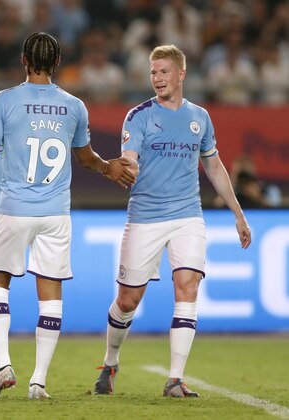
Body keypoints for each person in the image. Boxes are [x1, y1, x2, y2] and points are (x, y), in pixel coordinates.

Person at [0, 32, 135, 400]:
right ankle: (38, 381)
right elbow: (86, 159)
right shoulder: (73, 105)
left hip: (14, 209)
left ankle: (4, 364)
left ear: (24, 60)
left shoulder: (5, 101)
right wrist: (109, 168)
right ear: (57, 63)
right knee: (51, 295)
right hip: (56, 213)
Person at [93, 44, 252, 398]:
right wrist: (125, 167)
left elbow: (213, 166)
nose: (157, 78)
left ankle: (175, 379)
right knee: (128, 301)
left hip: (187, 216)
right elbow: (129, 157)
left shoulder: (200, 117)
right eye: (153, 73)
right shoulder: (138, 116)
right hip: (145, 217)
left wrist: (238, 214)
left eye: (164, 71)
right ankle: (111, 360)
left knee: (188, 287)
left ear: (181, 74)